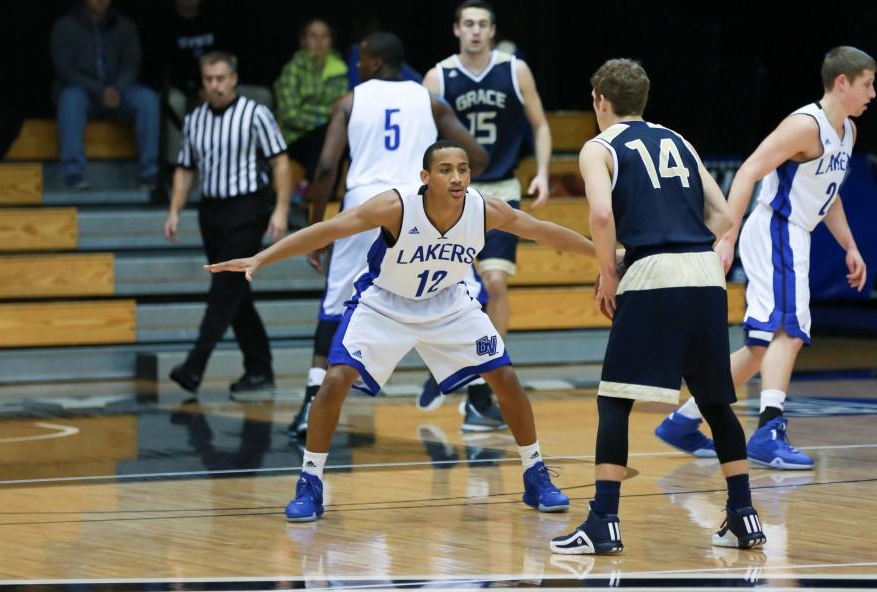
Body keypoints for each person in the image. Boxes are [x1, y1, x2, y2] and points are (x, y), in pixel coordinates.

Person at [207, 139, 595, 522]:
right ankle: (310, 481)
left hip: (448, 304)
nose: (457, 177)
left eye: (462, 170)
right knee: (335, 380)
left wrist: (603, 253)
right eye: (446, 170)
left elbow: (544, 231)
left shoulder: (485, 209)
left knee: (505, 376)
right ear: (425, 176)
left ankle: (535, 473)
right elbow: (328, 229)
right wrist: (263, 257)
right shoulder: (396, 207)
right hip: (385, 304)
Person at [550, 59, 765, 554]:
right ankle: (743, 515)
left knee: (614, 400)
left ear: (600, 100)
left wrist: (609, 272)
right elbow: (725, 217)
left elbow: (602, 213)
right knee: (715, 401)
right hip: (705, 273)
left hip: (653, 276)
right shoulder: (680, 141)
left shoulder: (598, 147)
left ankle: (603, 520)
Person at [653, 46, 875, 470]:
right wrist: (726, 236)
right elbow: (749, 170)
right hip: (776, 228)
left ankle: (682, 422)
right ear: (842, 82)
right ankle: (769, 429)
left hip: (795, 233)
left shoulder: (846, 132)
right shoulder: (804, 125)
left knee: (760, 347)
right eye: (868, 84)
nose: (873, 93)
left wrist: (850, 245)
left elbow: (828, 196)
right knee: (788, 331)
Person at [285, 32, 489, 439]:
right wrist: (450, 186)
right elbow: (478, 158)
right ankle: (481, 400)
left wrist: (318, 227)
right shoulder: (429, 102)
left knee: (337, 303)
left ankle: (312, 402)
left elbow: (325, 169)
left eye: (359, 59)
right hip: (418, 203)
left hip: (366, 204)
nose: (356, 66)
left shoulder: (349, 101)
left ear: (375, 62)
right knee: (462, 292)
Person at [419, 0, 552, 430]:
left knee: (495, 282)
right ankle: (445, 365)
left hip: (501, 190)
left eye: (482, 25)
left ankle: (480, 385)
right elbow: (422, 139)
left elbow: (541, 124)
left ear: (492, 30)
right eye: (468, 24)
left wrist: (545, 173)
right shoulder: (438, 76)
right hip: (451, 192)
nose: (475, 31)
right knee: (450, 289)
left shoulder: (515, 70)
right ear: (456, 29)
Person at [164, 51, 290, 395]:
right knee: (236, 294)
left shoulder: (255, 114)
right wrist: (175, 209)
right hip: (212, 210)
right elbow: (186, 167)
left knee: (224, 288)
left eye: (221, 79)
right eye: (208, 80)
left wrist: (280, 210)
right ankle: (259, 367)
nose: (215, 86)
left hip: (248, 207)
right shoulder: (194, 119)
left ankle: (194, 367)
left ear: (234, 79)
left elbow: (280, 162)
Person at [49, 0, 159, 190]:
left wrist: (116, 88)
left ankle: (150, 174)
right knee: (70, 98)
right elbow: (65, 70)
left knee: (147, 99)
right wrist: (100, 90)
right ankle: (74, 173)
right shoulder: (65, 26)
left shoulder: (125, 26)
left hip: (119, 93)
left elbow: (132, 65)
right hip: (85, 93)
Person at [162, 0, 274, 167]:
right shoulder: (163, 23)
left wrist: (223, 83)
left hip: (221, 84)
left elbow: (232, 57)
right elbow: (162, 67)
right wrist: (197, 88)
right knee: (172, 100)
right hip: (186, 89)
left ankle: (258, 160)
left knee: (262, 95)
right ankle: (176, 165)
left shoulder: (217, 19)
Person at [274, 18, 348, 182]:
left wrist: (315, 113)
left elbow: (342, 107)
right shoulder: (292, 69)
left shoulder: (340, 69)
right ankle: (313, 188)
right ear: (303, 41)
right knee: (325, 134)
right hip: (295, 137)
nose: (319, 41)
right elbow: (290, 113)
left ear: (331, 40)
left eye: (324, 36)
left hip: (328, 132)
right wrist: (326, 119)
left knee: (341, 136)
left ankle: (330, 192)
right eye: (313, 36)